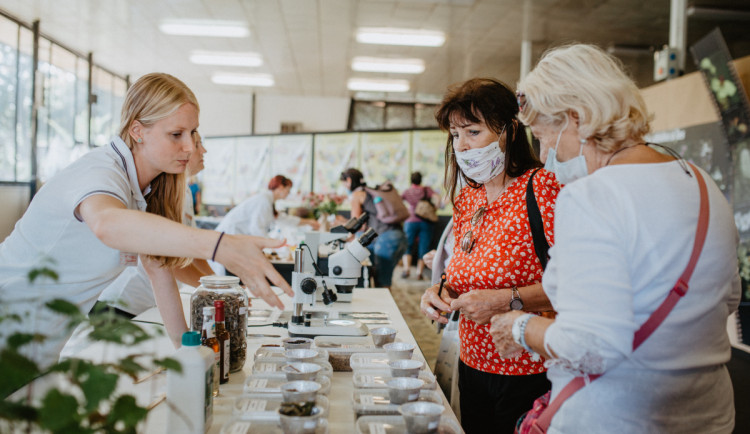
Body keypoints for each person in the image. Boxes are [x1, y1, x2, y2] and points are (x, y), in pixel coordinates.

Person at [489, 44, 739, 433]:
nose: (545, 153)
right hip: (708, 414)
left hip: (614, 416)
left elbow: (591, 347)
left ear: (577, 118)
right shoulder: (702, 183)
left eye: (544, 135)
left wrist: (519, 327)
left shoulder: (591, 196)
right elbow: (729, 298)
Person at [0, 73, 292, 368]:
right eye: (176, 134)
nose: (190, 147)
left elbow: (160, 272)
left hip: (38, 348)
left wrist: (192, 357)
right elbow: (107, 224)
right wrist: (219, 245)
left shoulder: (146, 193)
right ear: (137, 131)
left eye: (193, 133)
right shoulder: (101, 171)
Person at [419, 78, 560, 433]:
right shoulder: (470, 198)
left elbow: (577, 283)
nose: (462, 146)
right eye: (455, 135)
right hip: (472, 363)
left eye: (473, 131)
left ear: (509, 131)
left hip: (528, 368)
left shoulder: (541, 188)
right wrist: (439, 292)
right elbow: (461, 271)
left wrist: (506, 300)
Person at [97, 132, 214, 317]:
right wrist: (214, 290)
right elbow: (172, 262)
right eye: (198, 144)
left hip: (145, 301)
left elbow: (192, 252)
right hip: (122, 303)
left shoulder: (184, 192)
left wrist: (217, 283)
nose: (203, 150)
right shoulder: (169, 194)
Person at [210, 175, 319, 275]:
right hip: (229, 235)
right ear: (281, 187)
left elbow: (283, 219)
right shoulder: (263, 201)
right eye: (288, 190)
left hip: (234, 238)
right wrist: (273, 245)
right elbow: (256, 228)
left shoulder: (268, 201)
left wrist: (309, 222)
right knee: (222, 273)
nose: (288, 193)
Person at [341, 168, 407, 288]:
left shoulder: (356, 195)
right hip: (399, 237)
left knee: (381, 283)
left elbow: (357, 226)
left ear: (349, 181)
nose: (344, 187)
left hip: (385, 240)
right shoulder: (371, 192)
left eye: (343, 183)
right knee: (383, 279)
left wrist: (341, 222)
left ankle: (384, 307)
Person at [400, 171, 437, 280]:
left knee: (407, 245)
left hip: (410, 220)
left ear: (411, 180)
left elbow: (399, 201)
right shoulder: (426, 190)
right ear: (421, 179)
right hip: (425, 221)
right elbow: (437, 198)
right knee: (423, 246)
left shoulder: (407, 191)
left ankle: (406, 270)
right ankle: (419, 273)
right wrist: (435, 208)